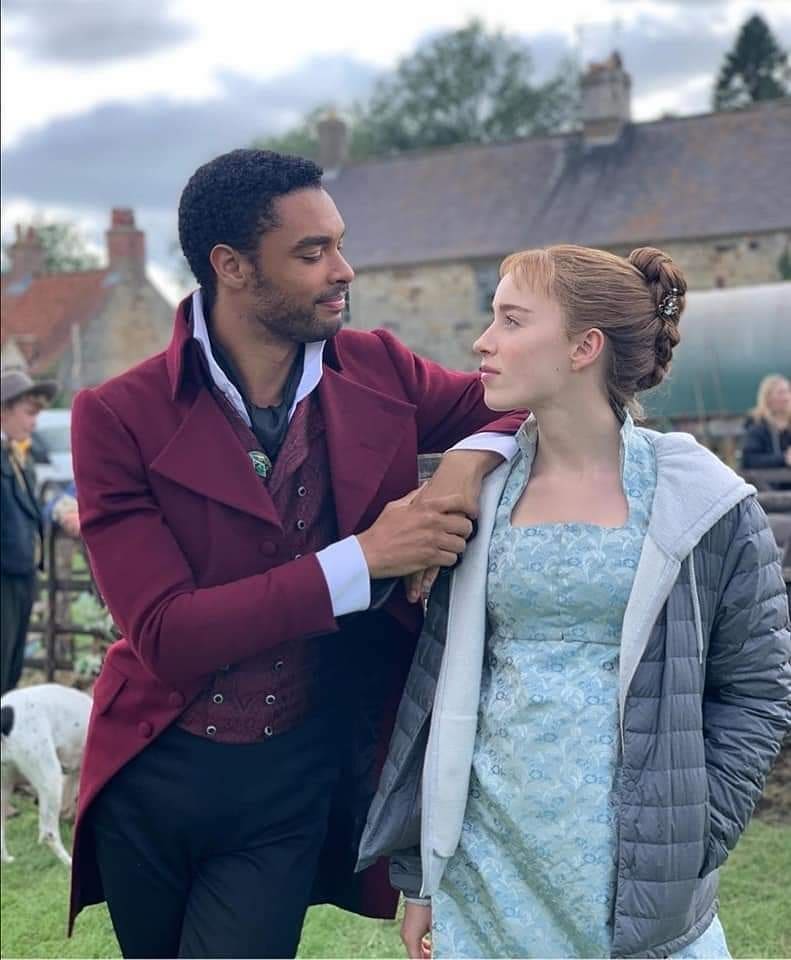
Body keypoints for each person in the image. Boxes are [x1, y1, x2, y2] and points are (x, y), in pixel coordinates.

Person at [68, 149, 525, 959]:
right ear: (231, 266)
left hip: (292, 776)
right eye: (312, 253)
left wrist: (463, 461)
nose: (342, 270)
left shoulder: (380, 367)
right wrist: (364, 558)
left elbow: (520, 404)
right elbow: (165, 634)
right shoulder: (117, 415)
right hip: (154, 774)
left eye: (338, 244)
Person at [358, 245, 791, 959]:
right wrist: (425, 878)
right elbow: (434, 692)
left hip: (632, 872)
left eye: (511, 320)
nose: (483, 341)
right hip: (484, 865)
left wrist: (695, 831)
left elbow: (756, 687)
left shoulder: (703, 503)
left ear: (583, 347)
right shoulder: (474, 499)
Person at [1, 369, 57, 695]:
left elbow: (32, 507)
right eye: (28, 413)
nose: (33, 423)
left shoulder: (20, 458)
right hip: (4, 577)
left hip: (21, 576)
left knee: (12, 668)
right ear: (3, 411)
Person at [741, 373, 791, 470]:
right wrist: (784, 458)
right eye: (781, 393)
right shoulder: (756, 425)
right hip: (765, 479)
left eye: (788, 391)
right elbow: (749, 460)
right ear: (767, 397)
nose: (787, 397)